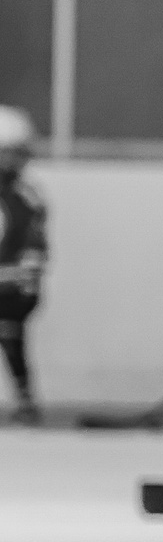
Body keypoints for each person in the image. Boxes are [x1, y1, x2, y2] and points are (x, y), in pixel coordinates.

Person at [0, 105, 47, 424]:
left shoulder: (25, 197)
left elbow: (34, 252)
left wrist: (22, 277)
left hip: (11, 288)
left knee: (9, 329)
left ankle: (25, 400)